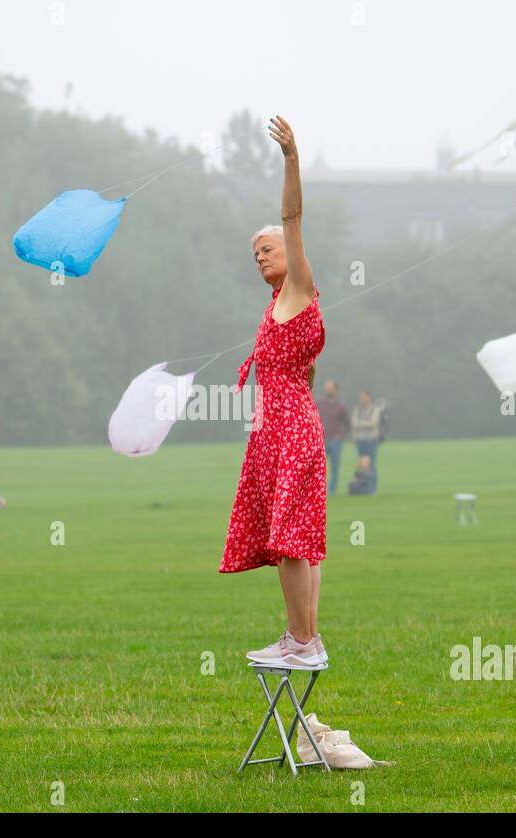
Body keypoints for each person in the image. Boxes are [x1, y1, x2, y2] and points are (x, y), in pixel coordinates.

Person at [220, 116, 327, 669]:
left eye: (267, 248)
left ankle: (301, 641)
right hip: (282, 425)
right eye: (254, 253)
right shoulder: (276, 308)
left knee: (290, 536)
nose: (260, 256)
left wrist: (290, 158)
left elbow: (292, 215)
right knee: (295, 535)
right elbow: (303, 373)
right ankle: (303, 637)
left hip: (288, 428)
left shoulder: (300, 286)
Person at [315, 380, 350, 495]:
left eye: (330, 388)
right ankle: (319, 490)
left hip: (335, 441)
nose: (328, 390)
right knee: (319, 467)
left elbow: (347, 423)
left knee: (335, 466)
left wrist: (340, 436)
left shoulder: (341, 406)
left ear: (335, 390)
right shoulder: (319, 403)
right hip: (321, 440)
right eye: (327, 387)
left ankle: (332, 490)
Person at [350, 390, 383, 472]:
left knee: (371, 463)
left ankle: (371, 483)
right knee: (361, 463)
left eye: (364, 397)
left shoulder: (375, 409)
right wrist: (365, 423)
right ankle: (362, 482)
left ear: (369, 397)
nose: (362, 399)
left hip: (371, 440)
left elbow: (373, 423)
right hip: (359, 440)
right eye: (361, 397)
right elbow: (354, 423)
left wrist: (360, 423)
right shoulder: (357, 410)